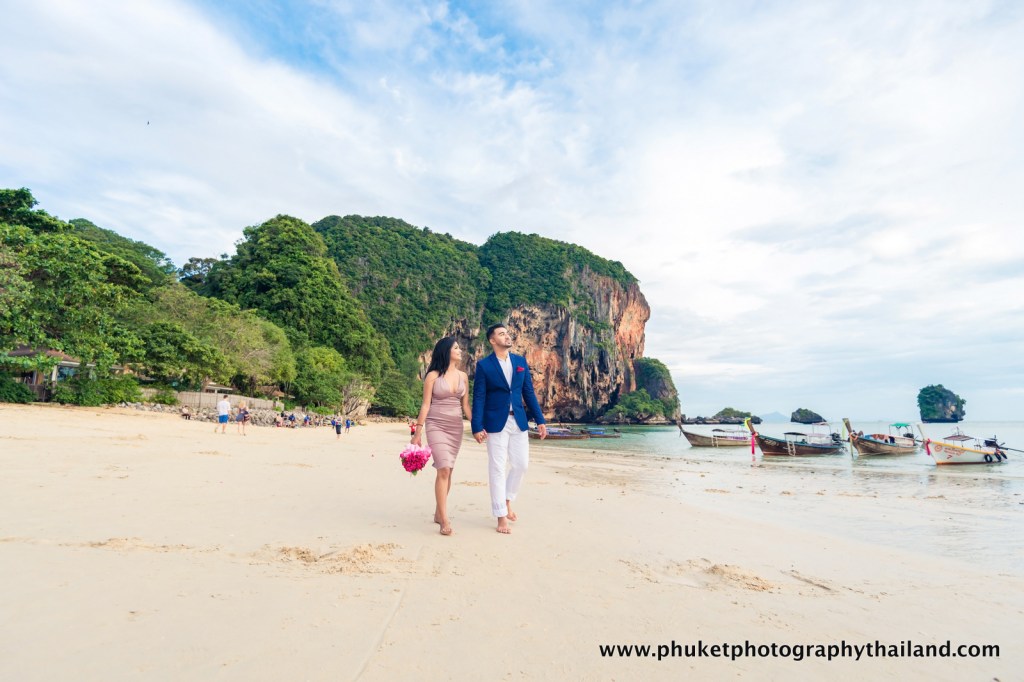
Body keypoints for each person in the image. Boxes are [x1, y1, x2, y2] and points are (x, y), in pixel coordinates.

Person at [471, 324, 547, 534]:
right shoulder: (484, 366)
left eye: (507, 333)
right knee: (497, 468)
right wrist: (476, 425)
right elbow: (479, 397)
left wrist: (540, 420)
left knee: (521, 464)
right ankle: (500, 516)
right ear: (492, 341)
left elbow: (528, 393)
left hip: (519, 421)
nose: (507, 336)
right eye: (501, 334)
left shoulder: (520, 362)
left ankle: (507, 499)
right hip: (495, 422)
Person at [411, 337, 472, 537]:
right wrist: (417, 432)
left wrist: (478, 426)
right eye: (456, 347)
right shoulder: (433, 376)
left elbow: (465, 407)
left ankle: (439, 512)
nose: (460, 350)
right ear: (446, 351)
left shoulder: (463, 376)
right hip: (436, 425)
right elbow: (425, 405)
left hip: (456, 427)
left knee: (449, 471)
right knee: (443, 469)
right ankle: (444, 519)